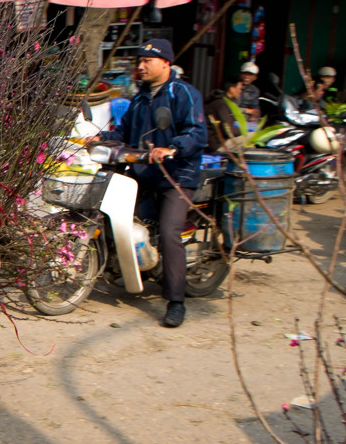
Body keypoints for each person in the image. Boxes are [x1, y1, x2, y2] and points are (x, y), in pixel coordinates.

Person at [96, 38, 208, 328]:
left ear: (165, 63)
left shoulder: (184, 93)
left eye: (147, 61)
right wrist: (100, 139)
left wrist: (172, 148)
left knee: (170, 232)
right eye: (140, 61)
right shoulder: (140, 97)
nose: (141, 66)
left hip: (176, 176)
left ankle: (175, 301)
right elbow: (125, 132)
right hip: (145, 172)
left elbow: (196, 132)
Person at [204, 76, 244, 153]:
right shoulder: (221, 104)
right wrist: (244, 131)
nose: (241, 91)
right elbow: (228, 130)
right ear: (232, 89)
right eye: (240, 88)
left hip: (220, 141)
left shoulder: (224, 102)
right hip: (217, 144)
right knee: (253, 136)